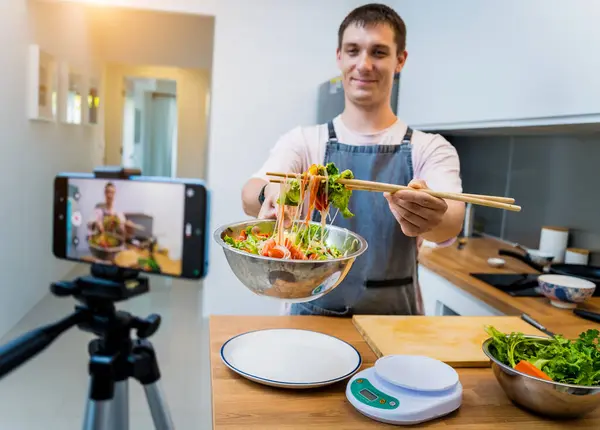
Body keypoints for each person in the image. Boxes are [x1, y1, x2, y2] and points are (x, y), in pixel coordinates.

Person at [241, 3, 465, 316]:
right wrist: (270, 194)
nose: (363, 64)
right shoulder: (305, 141)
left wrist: (432, 216)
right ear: (339, 57)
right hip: (312, 315)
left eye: (378, 52)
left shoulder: (428, 148)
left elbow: (452, 220)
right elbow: (251, 193)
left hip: (395, 323)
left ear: (400, 60)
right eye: (353, 50)